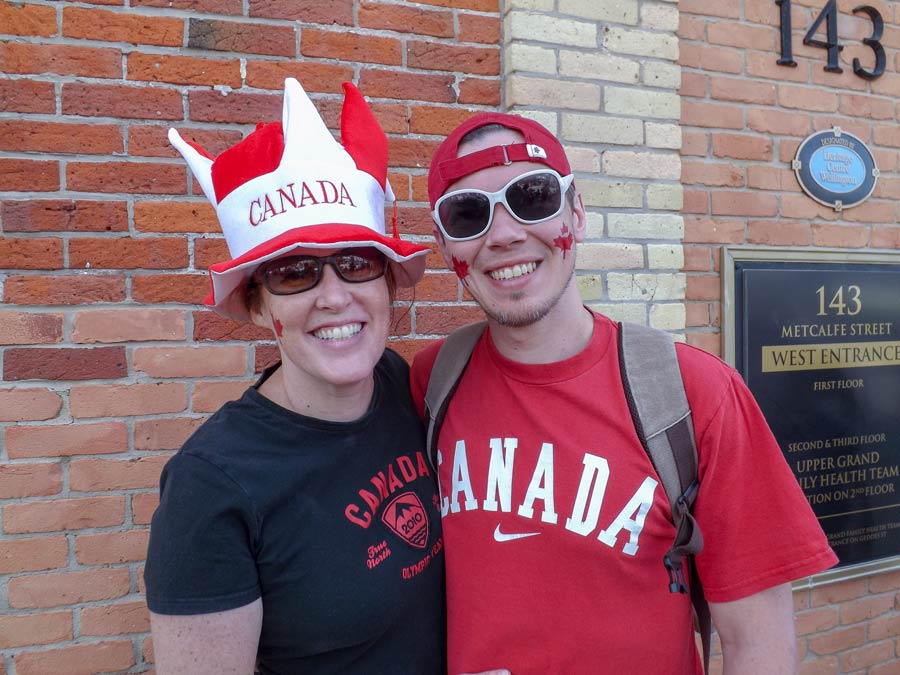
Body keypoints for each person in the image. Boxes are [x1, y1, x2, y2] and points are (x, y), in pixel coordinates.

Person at [410, 113, 839, 675]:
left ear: (577, 214)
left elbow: (758, 645)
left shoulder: (695, 394)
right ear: (445, 245)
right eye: (468, 215)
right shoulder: (433, 382)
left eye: (532, 198)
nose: (504, 234)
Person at [144, 78, 446, 674]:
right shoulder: (210, 487)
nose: (333, 297)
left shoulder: (397, 384)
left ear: (388, 284)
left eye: (356, 262)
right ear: (259, 307)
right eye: (294, 272)